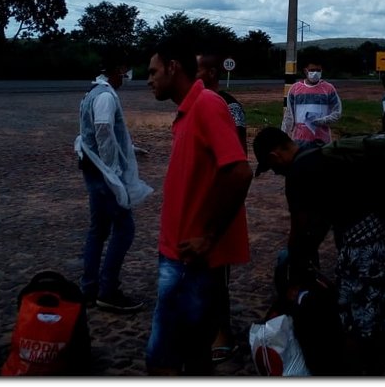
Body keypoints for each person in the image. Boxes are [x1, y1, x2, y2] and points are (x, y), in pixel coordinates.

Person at [252, 126, 385, 375]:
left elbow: (300, 230)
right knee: (383, 308)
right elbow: (322, 220)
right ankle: (378, 358)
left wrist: (294, 277)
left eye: (272, 168)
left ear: (274, 156)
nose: (276, 172)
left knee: (356, 319)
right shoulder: (318, 151)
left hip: (362, 246)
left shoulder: (298, 172)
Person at [145, 38, 253, 375]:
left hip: (189, 259)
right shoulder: (187, 110)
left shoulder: (207, 104)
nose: (148, 79)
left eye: (153, 71)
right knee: (194, 352)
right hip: (178, 252)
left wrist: (209, 236)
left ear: (173, 67)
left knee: (162, 357)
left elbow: (239, 171)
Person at [75, 49, 153, 312]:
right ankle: (107, 290)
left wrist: (130, 149)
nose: (127, 76)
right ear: (117, 70)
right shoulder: (106, 96)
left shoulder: (92, 93)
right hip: (104, 174)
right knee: (124, 228)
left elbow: (94, 134)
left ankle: (89, 288)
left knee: (98, 230)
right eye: (125, 70)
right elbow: (104, 130)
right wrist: (113, 172)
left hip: (94, 170)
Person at [196, 52, 246, 364]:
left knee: (217, 271)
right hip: (196, 197)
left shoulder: (230, 106)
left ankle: (223, 331)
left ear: (212, 72)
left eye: (198, 69)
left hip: (218, 196)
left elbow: (237, 156)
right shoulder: (194, 103)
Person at [281, 61, 342, 144]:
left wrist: (323, 121)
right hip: (299, 140)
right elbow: (288, 116)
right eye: (312, 70)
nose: (315, 73)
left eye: (318, 70)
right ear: (305, 71)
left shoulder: (329, 89)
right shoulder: (295, 89)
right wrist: (283, 136)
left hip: (322, 141)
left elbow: (337, 112)